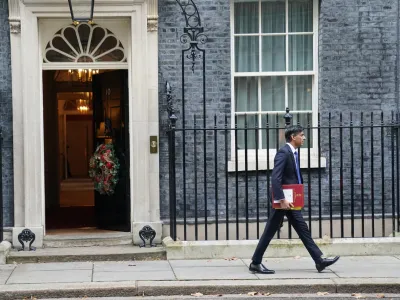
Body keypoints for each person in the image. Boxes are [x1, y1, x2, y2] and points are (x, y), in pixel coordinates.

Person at [249, 125, 339, 274]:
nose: (304, 138)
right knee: (270, 231)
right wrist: (281, 199)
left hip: (290, 201)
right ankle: (255, 263)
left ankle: (319, 260)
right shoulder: (283, 153)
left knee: (302, 229)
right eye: (301, 135)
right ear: (293, 137)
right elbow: (275, 178)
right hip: (283, 201)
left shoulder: (293, 153)